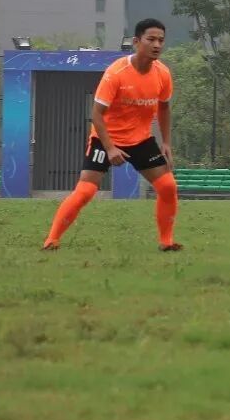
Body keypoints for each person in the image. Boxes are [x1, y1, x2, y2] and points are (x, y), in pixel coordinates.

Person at [42, 19, 180, 251]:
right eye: (151, 39)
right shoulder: (116, 72)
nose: (157, 45)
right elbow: (96, 114)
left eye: (161, 40)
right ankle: (51, 240)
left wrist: (166, 142)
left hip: (141, 140)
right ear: (137, 42)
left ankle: (166, 243)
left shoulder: (163, 74)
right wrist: (110, 148)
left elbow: (164, 107)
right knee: (86, 190)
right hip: (105, 138)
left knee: (168, 187)